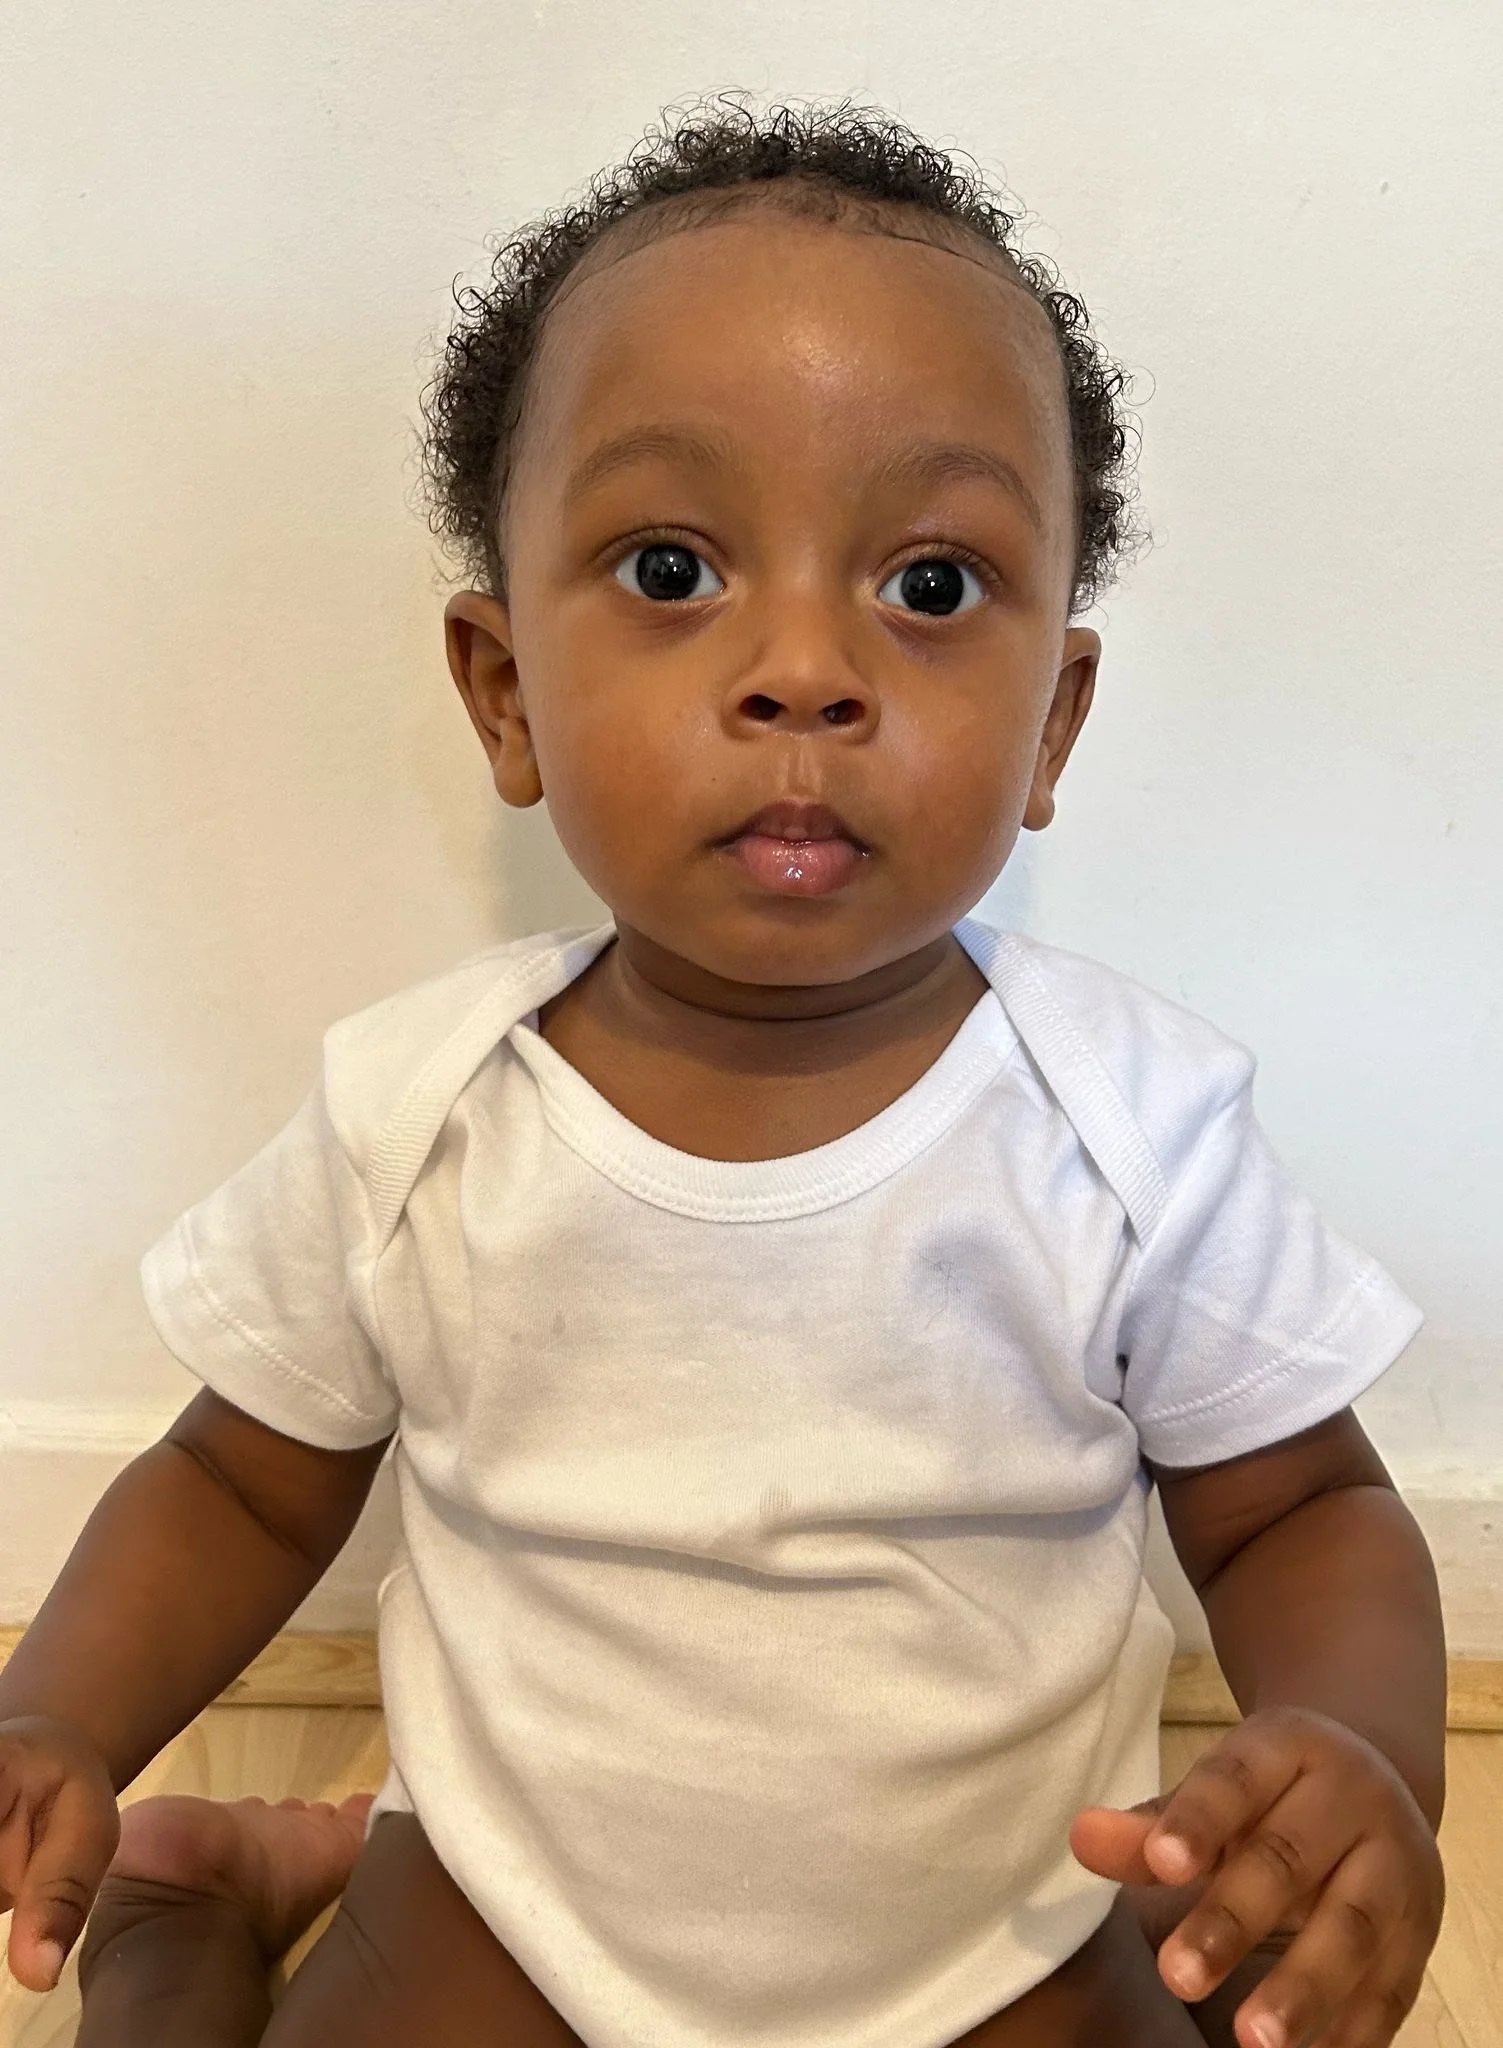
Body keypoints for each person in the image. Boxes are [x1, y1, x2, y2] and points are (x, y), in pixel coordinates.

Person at [0, 100, 1446, 2048]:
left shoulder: (1131, 1127)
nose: (801, 669)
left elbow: (1298, 1512)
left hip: (996, 1921)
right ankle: (190, 1908)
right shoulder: (421, 1114)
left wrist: (1358, 1750)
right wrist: (59, 1714)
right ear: (505, 690)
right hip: (509, 1902)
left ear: (1051, 721)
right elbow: (236, 1484)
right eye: (673, 565)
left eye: (927, 588)